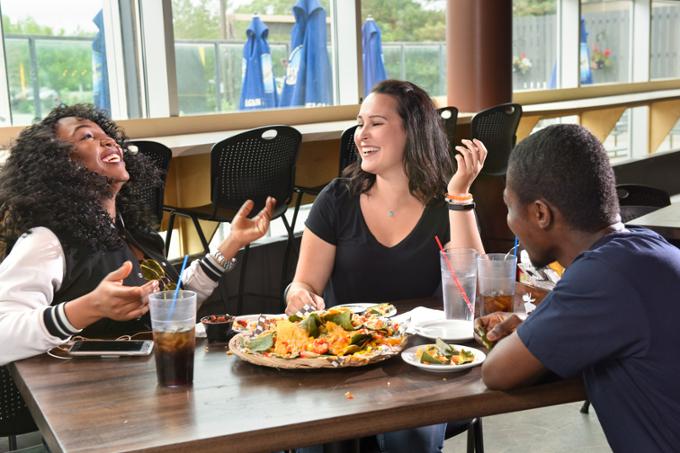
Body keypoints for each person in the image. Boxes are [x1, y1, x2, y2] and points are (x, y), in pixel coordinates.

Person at [286, 80, 487, 453]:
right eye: (360, 123)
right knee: (319, 437)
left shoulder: (448, 199)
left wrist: (459, 195)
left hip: (427, 363)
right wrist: (299, 295)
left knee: (409, 432)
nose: (362, 134)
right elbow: (303, 285)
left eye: (375, 123)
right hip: (345, 363)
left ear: (413, 130)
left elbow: (473, 292)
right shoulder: (337, 198)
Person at [0, 104, 275, 366]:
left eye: (108, 136)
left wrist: (232, 243)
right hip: (89, 401)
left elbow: (171, 309)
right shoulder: (45, 241)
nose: (109, 142)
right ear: (58, 165)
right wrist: (89, 307)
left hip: (149, 384)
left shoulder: (130, 229)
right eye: (87, 136)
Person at [477, 124, 680, 452]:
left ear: (541, 213)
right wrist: (534, 329)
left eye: (509, 207)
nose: (510, 221)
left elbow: (497, 372)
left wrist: (521, 338)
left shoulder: (601, 277)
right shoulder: (648, 246)